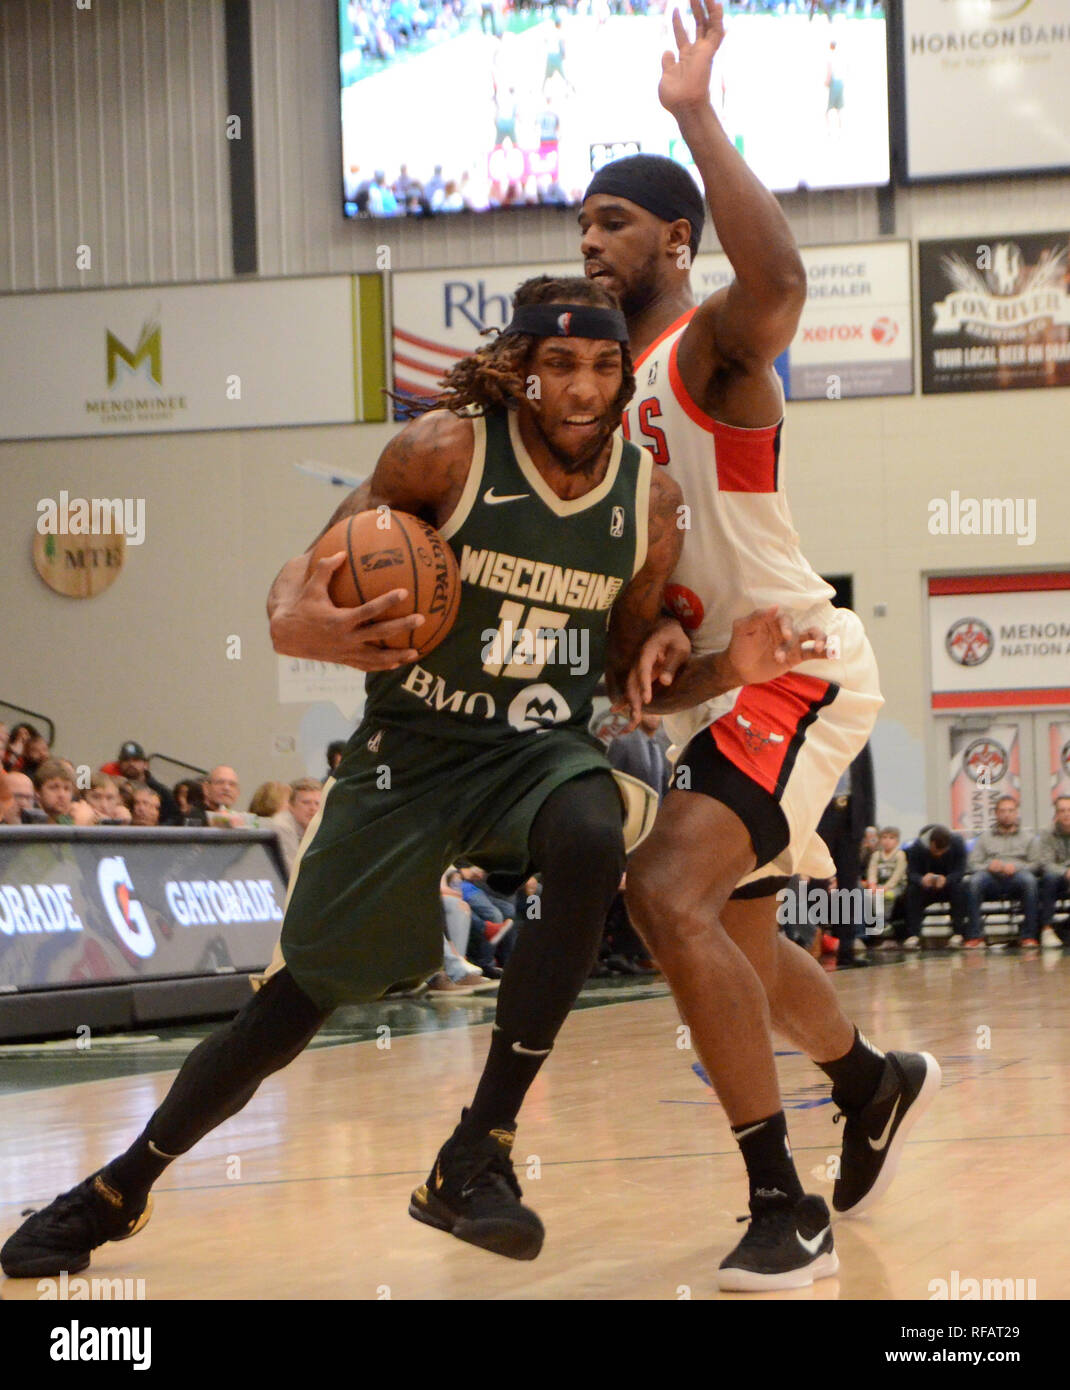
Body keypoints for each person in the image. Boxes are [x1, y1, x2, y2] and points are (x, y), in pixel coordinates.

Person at [578, 1, 938, 1289]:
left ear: (674, 237)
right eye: (580, 226)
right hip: (723, 687)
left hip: (794, 664)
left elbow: (779, 282)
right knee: (730, 936)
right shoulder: (608, 404)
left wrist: (692, 116)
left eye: (613, 220)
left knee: (661, 893)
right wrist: (650, 639)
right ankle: (868, 1079)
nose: (590, 241)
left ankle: (780, 1202)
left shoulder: (710, 347)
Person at [965, 795, 1038, 948]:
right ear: (996, 814)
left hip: (1017, 877)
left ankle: (1029, 936)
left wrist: (1017, 867)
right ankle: (975, 936)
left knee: (1030, 881)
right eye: (1002, 811)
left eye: (1010, 810)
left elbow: (1037, 864)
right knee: (974, 881)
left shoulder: (1028, 837)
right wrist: (988, 866)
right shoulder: (985, 838)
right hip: (991, 878)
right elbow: (972, 863)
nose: (1006, 814)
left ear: (1016, 813)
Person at [903, 824, 966, 949]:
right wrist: (921, 879)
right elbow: (911, 873)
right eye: (936, 851)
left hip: (949, 884)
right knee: (912, 891)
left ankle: (958, 933)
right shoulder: (917, 847)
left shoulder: (958, 843)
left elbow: (960, 871)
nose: (939, 854)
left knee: (959, 888)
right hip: (926, 887)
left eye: (943, 852)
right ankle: (914, 935)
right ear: (931, 843)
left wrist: (947, 879)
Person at [100, 742, 183, 825]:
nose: (131, 764)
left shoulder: (160, 790)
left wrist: (159, 830)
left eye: (136, 760)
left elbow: (176, 817)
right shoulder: (114, 789)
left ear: (146, 764)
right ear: (119, 764)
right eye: (126, 760)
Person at [1030, 797, 1070, 948]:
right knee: (1049, 877)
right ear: (1056, 815)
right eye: (1062, 811)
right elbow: (1045, 863)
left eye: (1069, 810)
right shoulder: (1047, 833)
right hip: (1058, 878)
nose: (1066, 814)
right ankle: (1047, 929)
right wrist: (1065, 872)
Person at [270, 778, 324, 878]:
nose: (313, 808)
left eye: (317, 803)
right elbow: (292, 873)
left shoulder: (321, 825)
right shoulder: (282, 826)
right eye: (306, 802)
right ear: (291, 806)